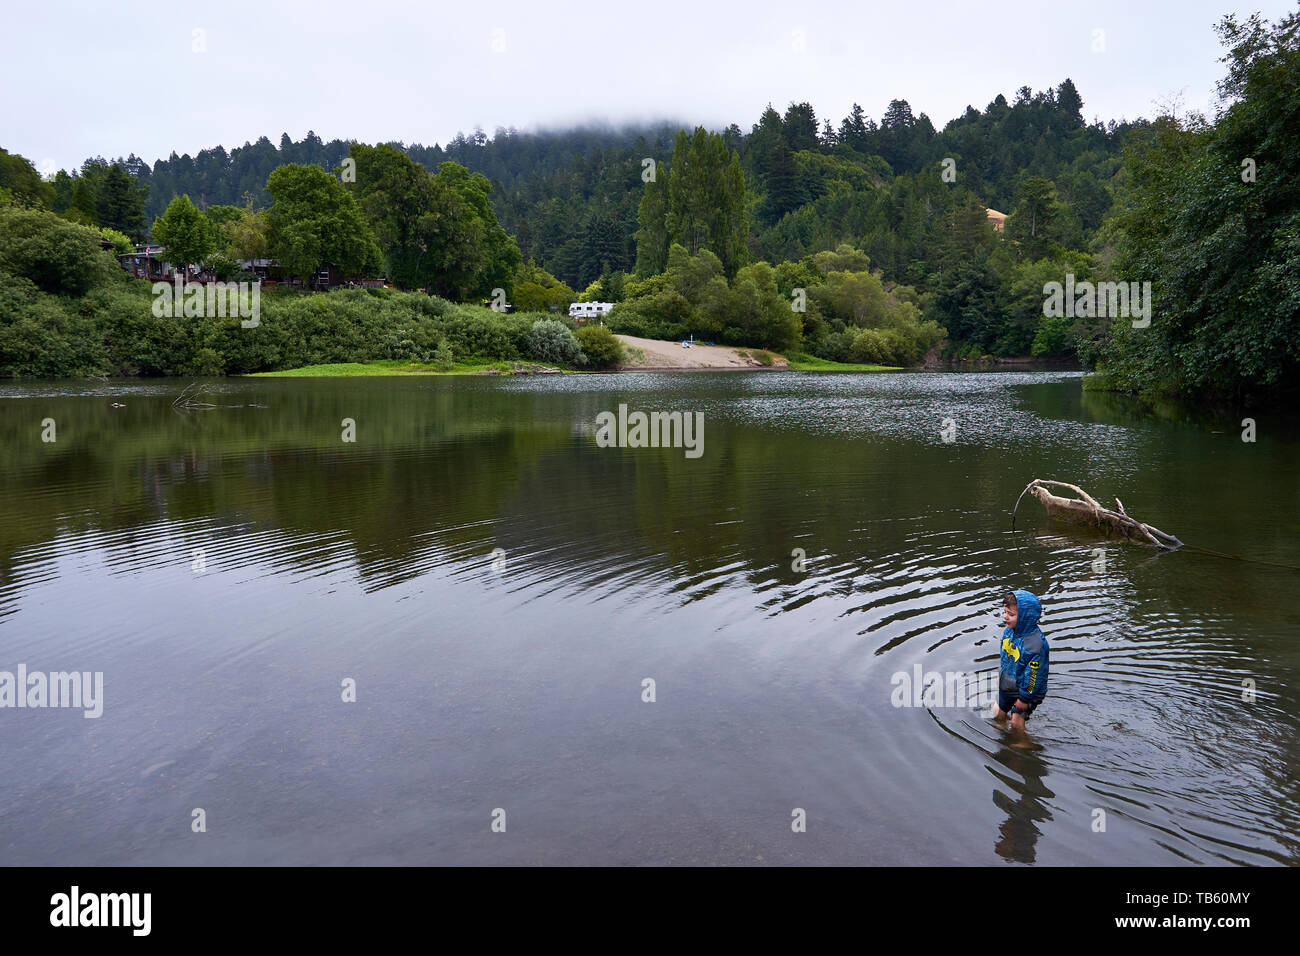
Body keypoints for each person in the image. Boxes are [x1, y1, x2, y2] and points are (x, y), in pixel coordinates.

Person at [993, 589, 1048, 731]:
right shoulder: (1009, 631)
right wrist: (1002, 675)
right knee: (998, 713)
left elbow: (1034, 675)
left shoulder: (1035, 644)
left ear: (1025, 617)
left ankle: (1022, 746)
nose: (1005, 617)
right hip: (1009, 682)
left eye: (1011, 614)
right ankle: (1004, 738)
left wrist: (1025, 698)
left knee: (1017, 722)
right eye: (1004, 612)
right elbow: (1006, 657)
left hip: (1028, 690)